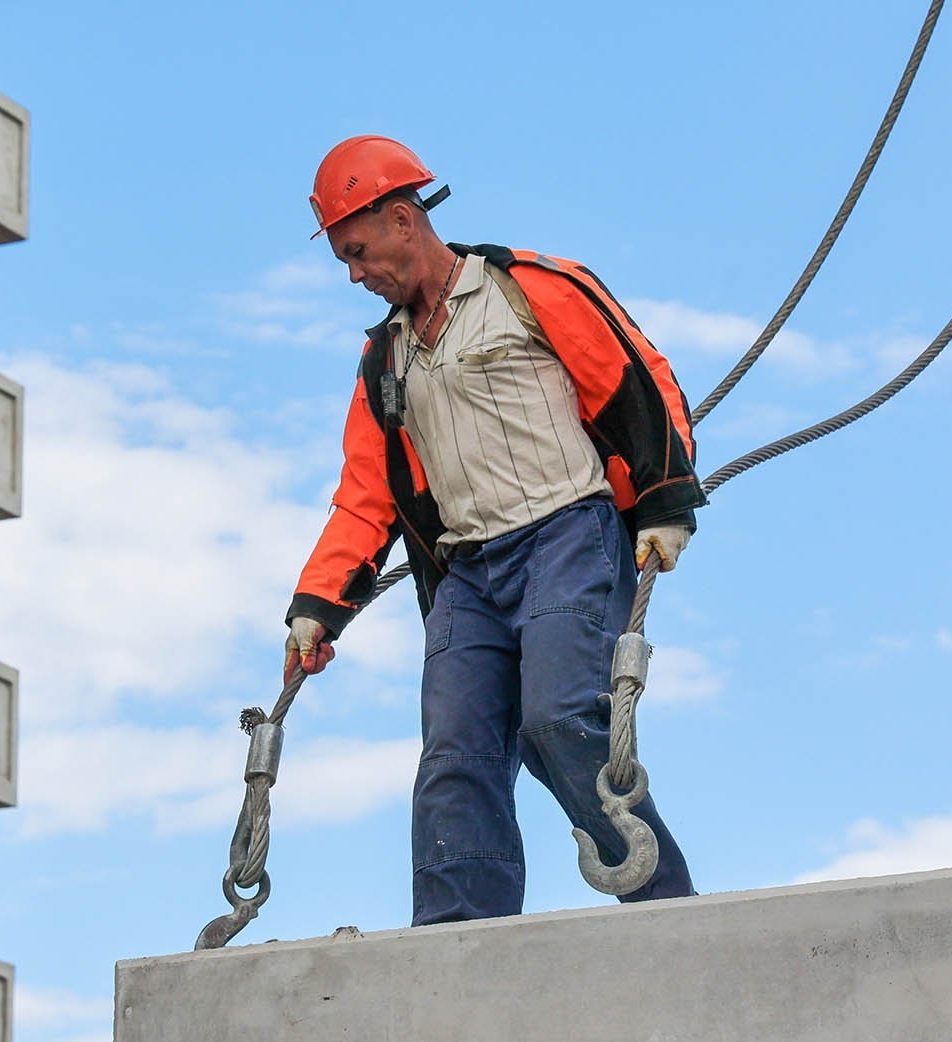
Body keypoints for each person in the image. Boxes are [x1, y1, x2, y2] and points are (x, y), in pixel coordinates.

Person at [284, 135, 704, 926]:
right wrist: (316, 605)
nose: (353, 274)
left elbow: (636, 377)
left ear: (404, 219)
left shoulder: (530, 289)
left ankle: (661, 905)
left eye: (358, 250)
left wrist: (663, 499)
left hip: (567, 537)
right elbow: (365, 494)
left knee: (557, 717)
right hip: (468, 578)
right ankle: (454, 940)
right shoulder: (385, 361)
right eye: (342, 258)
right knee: (454, 761)